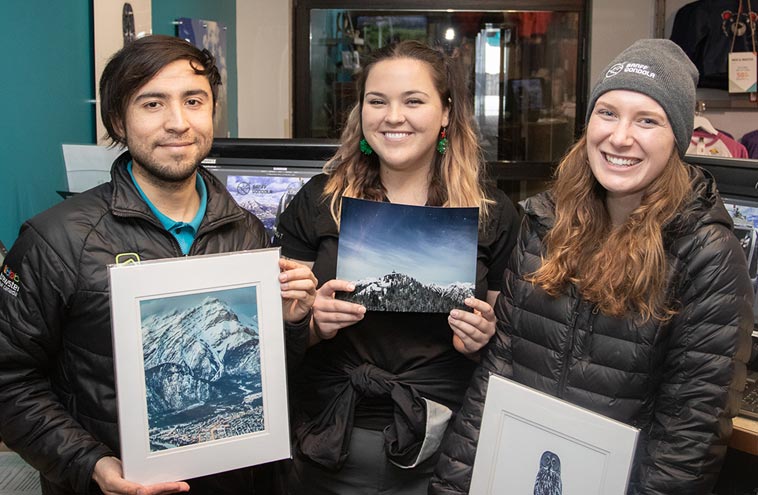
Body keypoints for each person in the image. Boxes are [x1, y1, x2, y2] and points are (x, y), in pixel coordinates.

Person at [430, 38, 754, 495]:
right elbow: (497, 376)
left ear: (676, 139)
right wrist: (452, 485)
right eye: (607, 113)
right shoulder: (545, 223)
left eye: (647, 120)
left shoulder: (707, 255)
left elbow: (688, 441)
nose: (620, 137)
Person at [0, 35, 316, 495]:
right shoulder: (57, 239)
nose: (178, 122)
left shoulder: (248, 232)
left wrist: (290, 324)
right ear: (118, 121)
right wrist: (91, 464)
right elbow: (9, 381)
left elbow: (266, 378)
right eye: (152, 104)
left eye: (194, 101)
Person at [275, 40, 521, 494]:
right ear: (360, 111)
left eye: (413, 101)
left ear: (446, 112)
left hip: (446, 446)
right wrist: (313, 325)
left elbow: (512, 349)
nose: (393, 116)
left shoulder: (493, 213)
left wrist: (483, 338)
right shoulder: (318, 201)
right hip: (325, 440)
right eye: (377, 101)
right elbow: (273, 338)